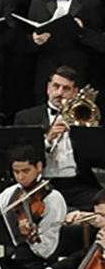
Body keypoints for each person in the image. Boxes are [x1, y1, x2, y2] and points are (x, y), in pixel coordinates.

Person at [14, 66, 101, 209]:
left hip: (77, 184)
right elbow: (21, 156)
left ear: (75, 93)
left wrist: (85, 133)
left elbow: (97, 158)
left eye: (66, 89)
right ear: (48, 88)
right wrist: (48, 139)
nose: (60, 93)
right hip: (43, 184)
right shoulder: (26, 117)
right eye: (56, 86)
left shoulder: (85, 116)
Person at [25, 0, 102, 98]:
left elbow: (99, 42)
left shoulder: (90, 4)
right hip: (47, 72)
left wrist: (81, 30)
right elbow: (27, 43)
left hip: (79, 72)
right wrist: (35, 41)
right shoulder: (37, 4)